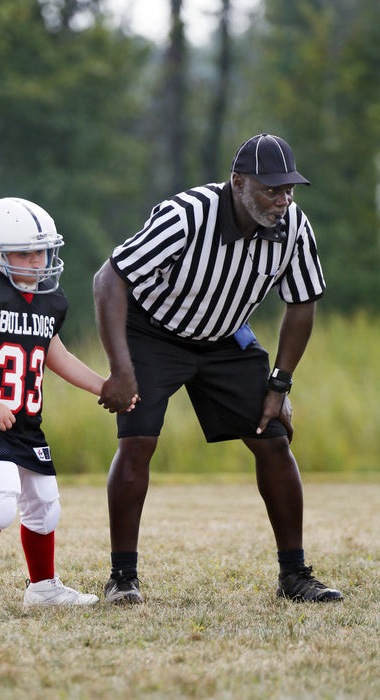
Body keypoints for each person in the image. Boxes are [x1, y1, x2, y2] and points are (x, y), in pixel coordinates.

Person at [93, 133, 343, 605]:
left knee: (273, 438)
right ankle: (123, 578)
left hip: (226, 335)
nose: (283, 200)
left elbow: (302, 303)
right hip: (155, 331)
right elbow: (110, 278)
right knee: (138, 440)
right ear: (238, 183)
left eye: (289, 190)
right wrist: (121, 368)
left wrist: (280, 383)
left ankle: (294, 575)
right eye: (272, 189)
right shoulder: (187, 215)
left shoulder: (292, 227)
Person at [0, 197, 135, 613]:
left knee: (45, 504)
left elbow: (54, 355)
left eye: (40, 250)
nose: (36, 260)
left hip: (24, 417)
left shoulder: (47, 300)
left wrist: (103, 385)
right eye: (23, 252)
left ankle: (43, 586)